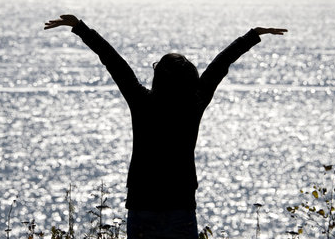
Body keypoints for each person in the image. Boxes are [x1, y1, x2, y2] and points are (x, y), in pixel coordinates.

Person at [44, 14, 287, 239]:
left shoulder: (141, 101)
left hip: (142, 204)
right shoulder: (195, 103)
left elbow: (115, 63)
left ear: (157, 76)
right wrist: (253, 35)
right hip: (180, 205)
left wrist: (80, 28)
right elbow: (219, 65)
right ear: (190, 78)